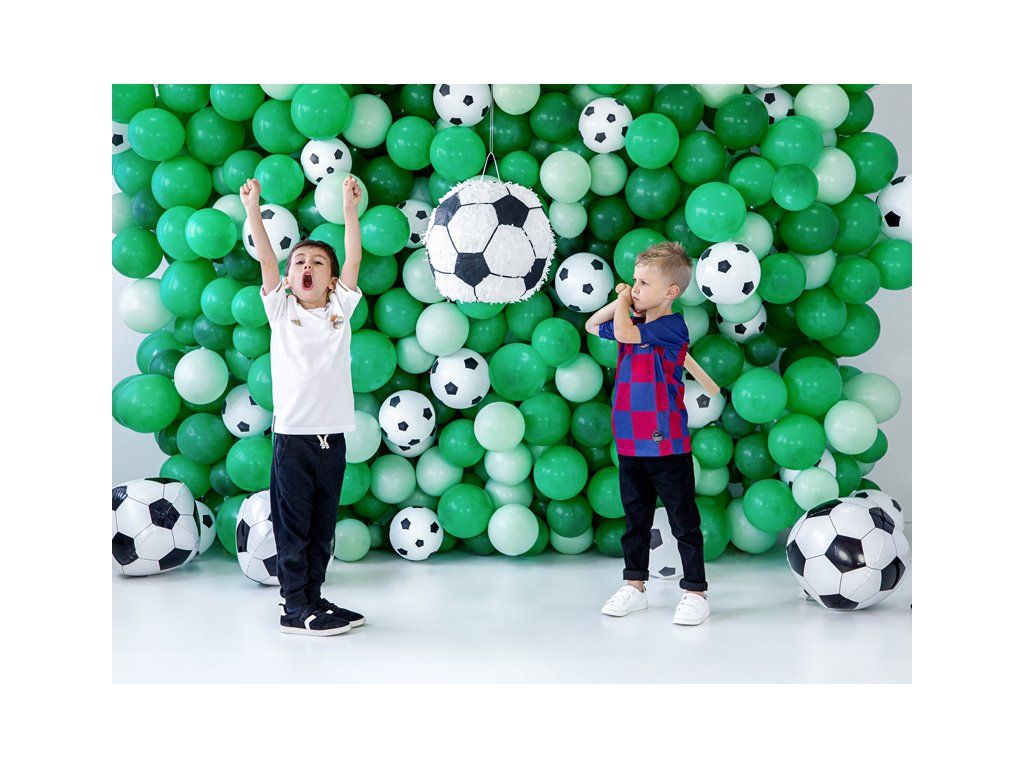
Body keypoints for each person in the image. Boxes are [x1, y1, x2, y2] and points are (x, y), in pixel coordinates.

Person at [240, 175, 366, 637]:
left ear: (331, 280)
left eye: (317, 263)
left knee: (321, 526)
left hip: (332, 438)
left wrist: (349, 211)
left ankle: (313, 596)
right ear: (290, 280)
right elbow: (266, 257)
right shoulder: (281, 309)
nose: (306, 266)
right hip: (294, 439)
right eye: (299, 263)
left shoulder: (339, 310)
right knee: (293, 527)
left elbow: (354, 257)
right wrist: (253, 211)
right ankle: (294, 607)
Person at [584, 241, 717, 626]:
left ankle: (696, 591)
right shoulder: (635, 321)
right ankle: (635, 586)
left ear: (671, 292)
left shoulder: (671, 327)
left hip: (666, 443)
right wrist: (626, 298)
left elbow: (624, 333)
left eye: (644, 283)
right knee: (635, 521)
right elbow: (592, 325)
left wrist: (624, 300)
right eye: (634, 281)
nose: (635, 288)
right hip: (630, 442)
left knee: (683, 521)